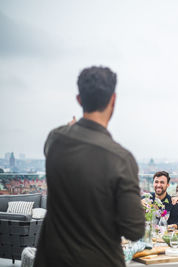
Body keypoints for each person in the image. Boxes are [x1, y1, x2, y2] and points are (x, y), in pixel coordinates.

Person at [34, 66, 145, 267]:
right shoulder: (121, 159)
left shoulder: (55, 139)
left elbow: (62, 139)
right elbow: (134, 230)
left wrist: (71, 128)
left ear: (79, 99)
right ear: (113, 100)